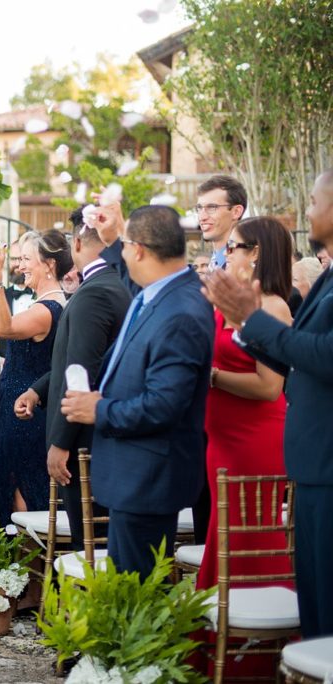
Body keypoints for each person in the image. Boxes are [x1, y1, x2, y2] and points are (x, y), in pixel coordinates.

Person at [203, 171, 333, 638]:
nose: (309, 211)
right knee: (308, 594)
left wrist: (242, 335)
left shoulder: (285, 298)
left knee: (270, 559)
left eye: (316, 201)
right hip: (273, 450)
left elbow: (300, 369)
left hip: (291, 449)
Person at [61, 205, 214, 578]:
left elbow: (164, 405)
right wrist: (115, 236)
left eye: (126, 247)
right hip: (134, 474)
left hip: (149, 476)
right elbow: (128, 281)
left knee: (135, 592)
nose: (121, 255)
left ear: (141, 250)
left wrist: (100, 410)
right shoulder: (159, 291)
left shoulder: (181, 312)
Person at [196, 216, 294, 676]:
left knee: (251, 538)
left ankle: (254, 654)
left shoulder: (272, 308)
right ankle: (220, 643)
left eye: (233, 247)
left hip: (256, 438)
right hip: (221, 438)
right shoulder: (226, 305)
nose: (225, 253)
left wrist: (211, 378)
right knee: (224, 534)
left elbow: (269, 387)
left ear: (256, 252)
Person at [14, 209, 130, 550]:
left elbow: (80, 372)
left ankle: (92, 602)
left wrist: (60, 442)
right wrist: (38, 390)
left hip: (82, 440)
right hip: (91, 433)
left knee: (89, 543)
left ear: (77, 243)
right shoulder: (110, 285)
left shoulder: (94, 293)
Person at [0, 229, 70, 527]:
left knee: (22, 493)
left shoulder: (47, 309)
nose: (19, 266)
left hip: (27, 417)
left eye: (26, 259)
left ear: (49, 265)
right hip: (19, 409)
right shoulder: (48, 303)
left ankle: (26, 568)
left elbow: (1, 329)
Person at [196, 175, 247, 271]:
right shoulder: (213, 264)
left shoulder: (245, 269)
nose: (202, 217)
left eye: (211, 207)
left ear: (236, 212)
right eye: (199, 208)